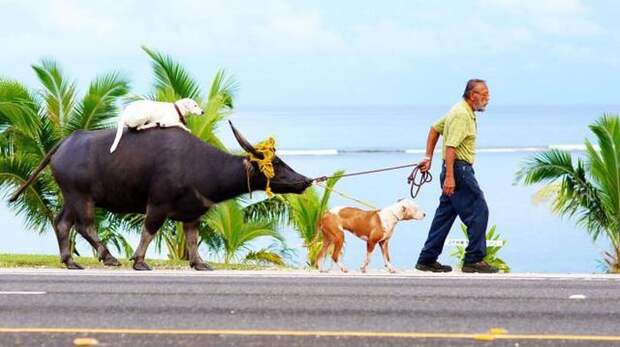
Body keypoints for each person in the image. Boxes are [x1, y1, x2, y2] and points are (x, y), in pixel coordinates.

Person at [415, 79, 498, 273]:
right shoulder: (461, 114)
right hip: (459, 171)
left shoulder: (459, 109)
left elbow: (435, 128)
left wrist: (428, 157)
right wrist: (450, 177)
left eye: (488, 94)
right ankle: (474, 259)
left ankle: (427, 259)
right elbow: (451, 147)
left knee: (445, 215)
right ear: (472, 95)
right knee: (479, 210)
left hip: (452, 169)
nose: (487, 98)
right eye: (484, 93)